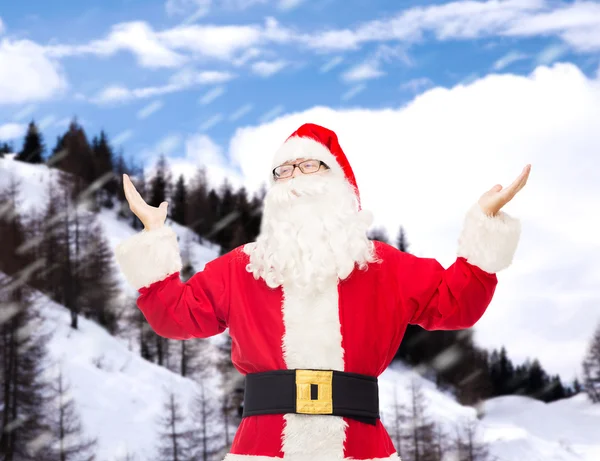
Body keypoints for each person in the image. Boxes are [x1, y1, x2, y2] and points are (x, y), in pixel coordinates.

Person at [115, 123, 530, 461]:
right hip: (262, 450)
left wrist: (484, 224)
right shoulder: (243, 267)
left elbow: (458, 303)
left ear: (338, 181)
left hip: (362, 450)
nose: (293, 177)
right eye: (283, 169)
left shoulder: (382, 266)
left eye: (308, 165)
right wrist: (154, 236)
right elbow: (175, 316)